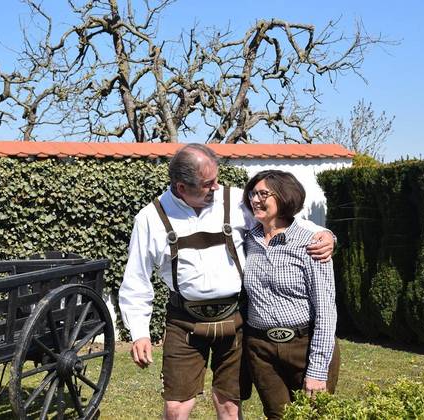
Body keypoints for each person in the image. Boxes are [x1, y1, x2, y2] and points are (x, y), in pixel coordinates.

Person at [118, 144, 334, 420]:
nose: (217, 187)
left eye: (217, 179)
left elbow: (284, 221)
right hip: (184, 320)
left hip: (235, 319)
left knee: (229, 404)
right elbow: (136, 279)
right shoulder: (151, 218)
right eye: (208, 184)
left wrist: (326, 234)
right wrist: (139, 331)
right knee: (176, 407)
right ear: (182, 187)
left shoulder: (234, 201)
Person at [241, 169, 340, 420]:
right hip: (260, 349)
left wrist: (317, 370)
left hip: (304, 346)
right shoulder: (247, 240)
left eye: (263, 193)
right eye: (252, 193)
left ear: (284, 196)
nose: (255, 199)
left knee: (314, 416)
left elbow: (326, 310)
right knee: (277, 415)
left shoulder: (312, 244)